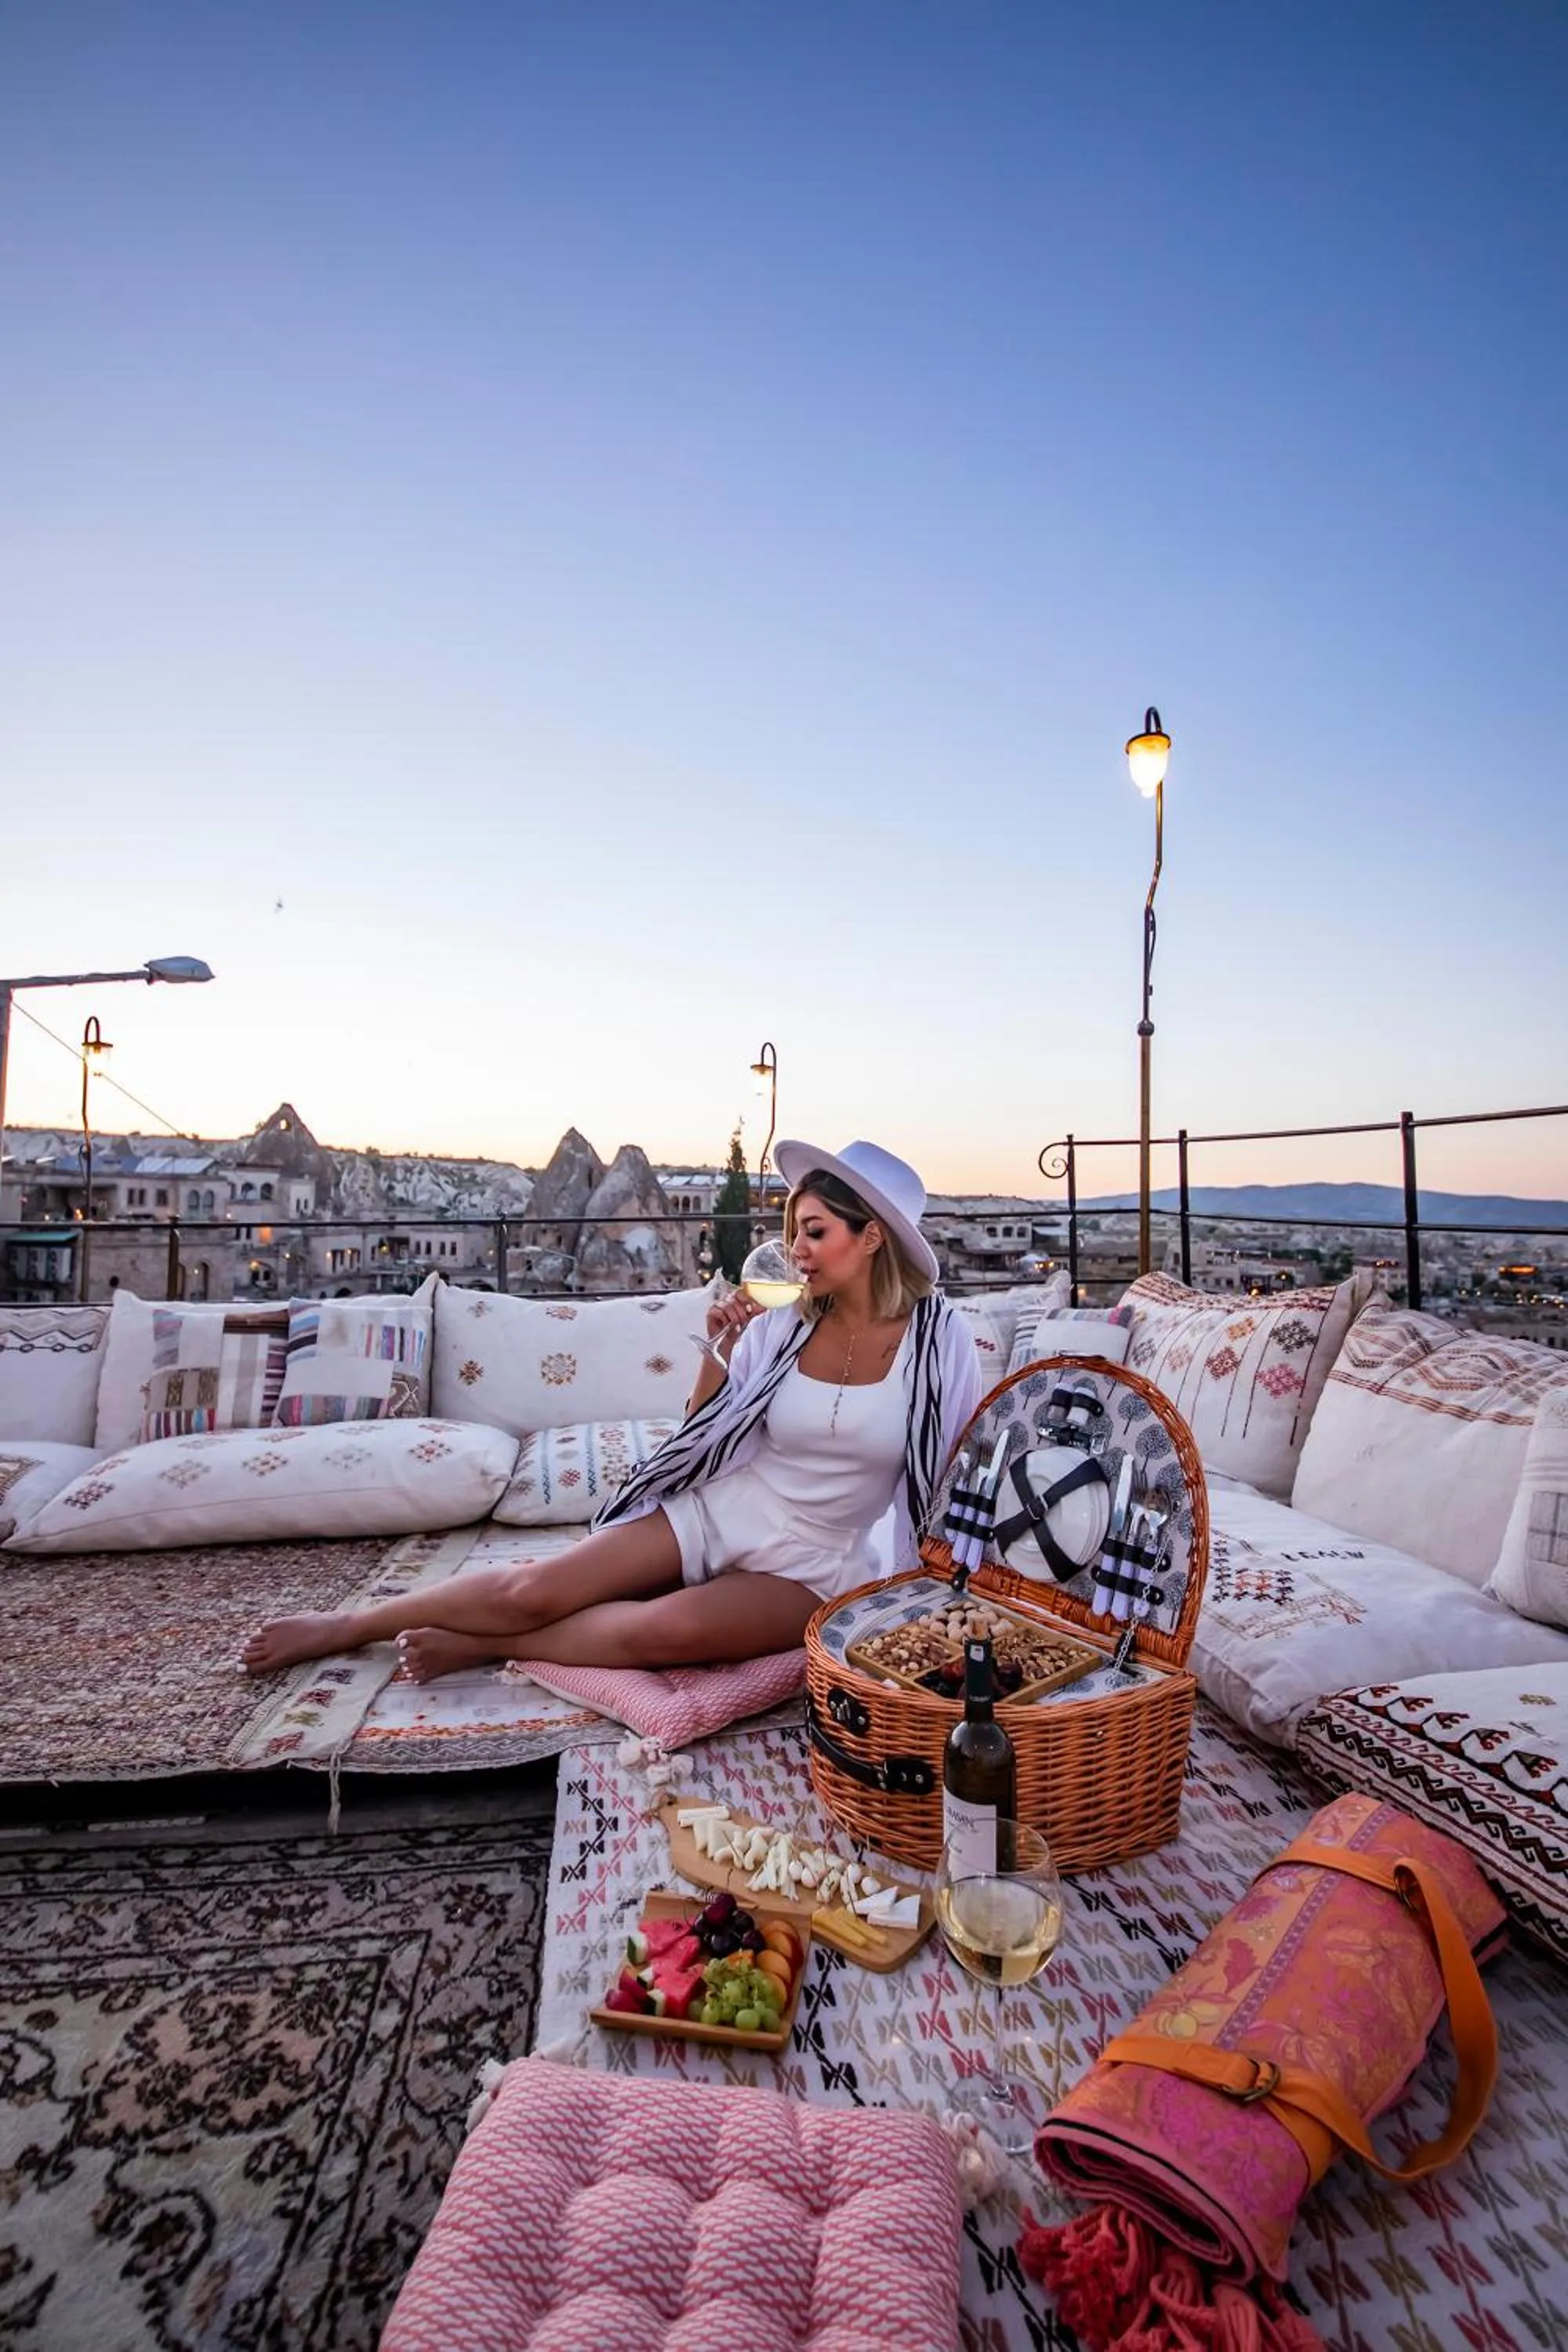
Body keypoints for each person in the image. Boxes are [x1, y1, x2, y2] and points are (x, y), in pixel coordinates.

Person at [241, 1140, 982, 1684]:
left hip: (818, 1560)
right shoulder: (784, 1325)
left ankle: (484, 1646)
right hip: (729, 1505)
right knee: (536, 1586)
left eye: (815, 1232)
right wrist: (718, 1347)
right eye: (793, 1232)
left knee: (658, 1632)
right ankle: (348, 1625)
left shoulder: (940, 1343)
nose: (796, 1251)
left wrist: (930, 1599)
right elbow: (705, 1435)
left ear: (873, 1237)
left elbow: (949, 1478)